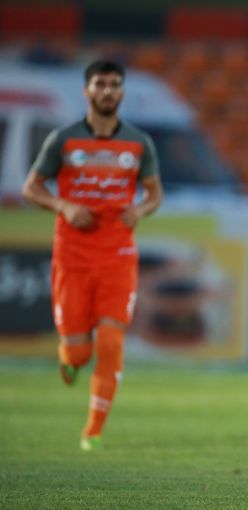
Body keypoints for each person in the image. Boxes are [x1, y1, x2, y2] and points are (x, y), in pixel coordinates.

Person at [21, 60, 163, 450]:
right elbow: (31, 187)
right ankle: (70, 359)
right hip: (72, 257)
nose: (108, 91)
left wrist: (140, 209)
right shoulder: (63, 140)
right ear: (87, 90)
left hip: (118, 254)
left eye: (115, 84)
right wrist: (63, 206)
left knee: (111, 340)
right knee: (79, 352)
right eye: (101, 84)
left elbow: (154, 193)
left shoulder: (138, 143)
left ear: (122, 92)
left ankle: (93, 430)